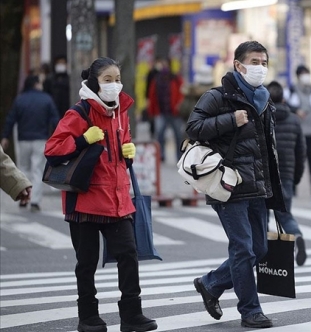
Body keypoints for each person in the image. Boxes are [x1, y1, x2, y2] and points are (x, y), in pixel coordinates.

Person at [44, 57, 157, 332]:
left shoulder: (122, 112)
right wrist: (83, 139)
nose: (115, 85)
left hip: (118, 200)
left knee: (129, 255)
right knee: (87, 263)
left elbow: (119, 151)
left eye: (118, 79)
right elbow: (52, 148)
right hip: (84, 199)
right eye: (108, 80)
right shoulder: (79, 112)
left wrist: (128, 154)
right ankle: (88, 317)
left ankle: (132, 315)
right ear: (94, 82)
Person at [186, 41, 285, 329]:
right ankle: (250, 311)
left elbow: (266, 148)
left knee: (259, 249)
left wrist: (275, 189)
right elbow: (193, 127)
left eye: (264, 62)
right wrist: (230, 119)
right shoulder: (218, 97)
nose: (260, 67)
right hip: (227, 185)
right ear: (238, 65)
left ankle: (211, 283)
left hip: (256, 185)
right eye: (254, 61)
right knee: (243, 249)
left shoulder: (264, 99)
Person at [1, 75, 59, 212]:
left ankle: (22, 195)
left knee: (23, 168)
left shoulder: (20, 99)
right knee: (37, 170)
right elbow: (55, 119)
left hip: (23, 139)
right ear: (36, 84)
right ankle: (35, 201)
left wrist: (5, 136)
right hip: (40, 139)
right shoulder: (47, 99)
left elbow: (11, 118)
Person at [267, 80, 308, 266]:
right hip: (286, 176)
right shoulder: (293, 119)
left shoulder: (263, 118)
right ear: (284, 98)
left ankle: (262, 254)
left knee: (261, 216)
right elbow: (301, 152)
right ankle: (297, 235)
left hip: (265, 178)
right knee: (285, 215)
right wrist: (296, 177)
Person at [288, 65, 311, 195]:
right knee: (297, 160)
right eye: (303, 74)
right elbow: (287, 106)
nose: (306, 76)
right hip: (298, 130)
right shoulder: (292, 90)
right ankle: (293, 187)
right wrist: (296, 111)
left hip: (310, 130)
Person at [147, 57, 184, 162]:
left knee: (178, 136)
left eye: (165, 64)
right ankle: (161, 155)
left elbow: (181, 94)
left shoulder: (176, 79)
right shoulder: (157, 79)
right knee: (159, 135)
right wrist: (152, 111)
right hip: (161, 112)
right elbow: (152, 95)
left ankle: (179, 156)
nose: (163, 66)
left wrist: (179, 106)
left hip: (174, 113)